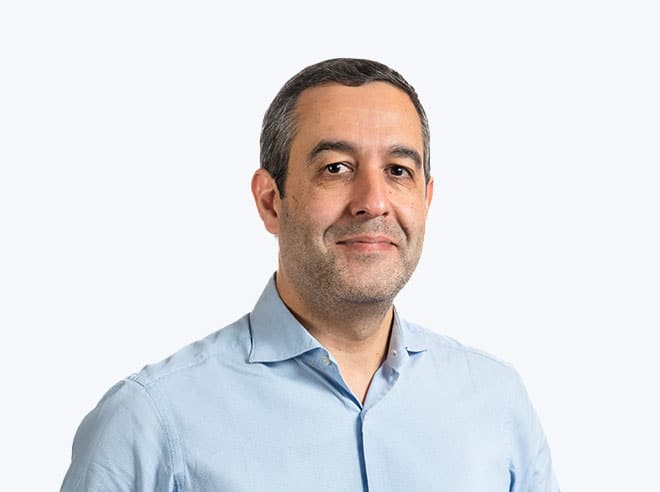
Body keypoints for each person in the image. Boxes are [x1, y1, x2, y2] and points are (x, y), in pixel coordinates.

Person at [61, 58, 559, 491]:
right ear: (270, 201)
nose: (373, 202)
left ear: (426, 199)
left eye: (398, 170)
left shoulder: (498, 403)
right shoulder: (148, 421)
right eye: (336, 168)